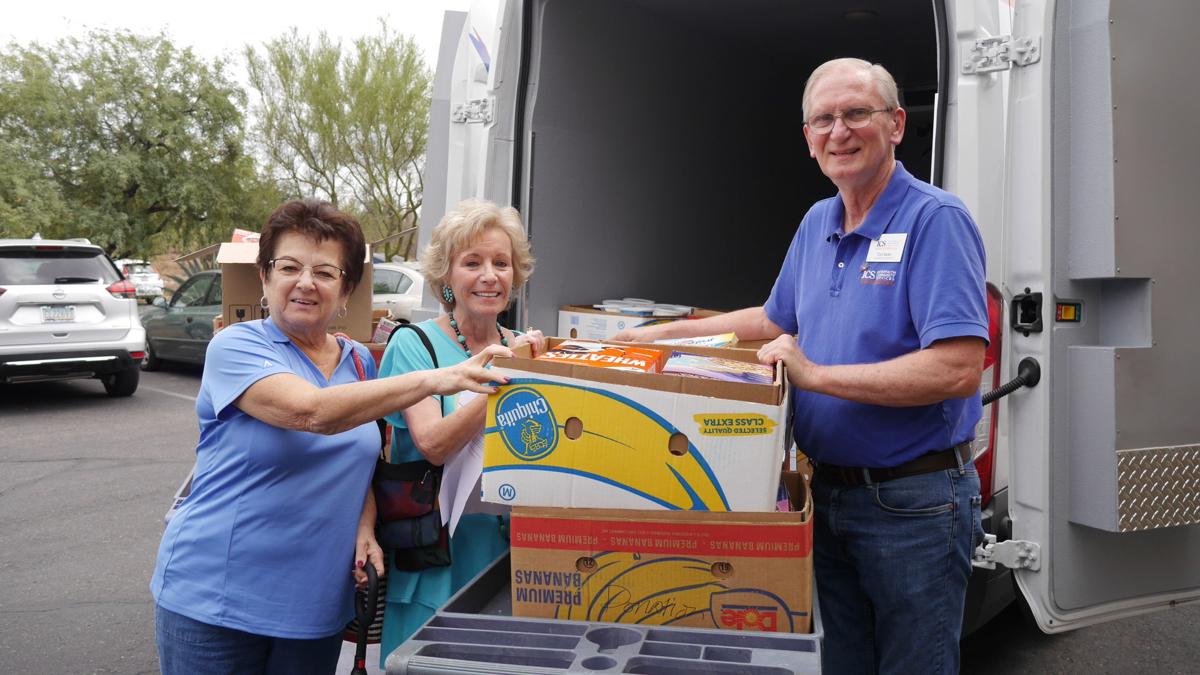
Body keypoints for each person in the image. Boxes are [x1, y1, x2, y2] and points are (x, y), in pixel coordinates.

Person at [614, 58, 988, 674]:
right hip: (829, 494)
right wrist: (657, 337)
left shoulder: (934, 220)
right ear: (809, 140)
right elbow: (770, 320)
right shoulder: (819, 221)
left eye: (856, 114)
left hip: (914, 505)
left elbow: (956, 370)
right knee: (841, 663)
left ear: (896, 124)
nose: (839, 131)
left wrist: (813, 375)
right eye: (824, 119)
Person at [150, 199, 510, 675]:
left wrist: (365, 526)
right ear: (264, 277)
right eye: (289, 267)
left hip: (314, 605)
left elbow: (358, 460)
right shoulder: (236, 345)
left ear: (345, 290)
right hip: (217, 598)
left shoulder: (359, 361)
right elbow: (311, 413)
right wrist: (436, 378)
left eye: (324, 271)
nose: (305, 283)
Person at [373, 198, 544, 663]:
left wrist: (544, 372)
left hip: (513, 559)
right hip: (438, 560)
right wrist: (503, 385)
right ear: (446, 276)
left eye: (501, 263)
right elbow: (432, 445)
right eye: (472, 262)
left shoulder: (524, 348)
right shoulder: (414, 345)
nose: (489, 275)